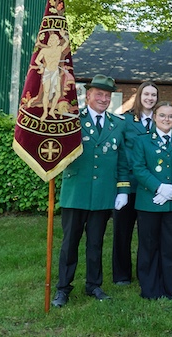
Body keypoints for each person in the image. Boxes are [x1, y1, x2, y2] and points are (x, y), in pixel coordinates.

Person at [51, 74, 130, 308]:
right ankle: (63, 288)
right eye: (99, 94)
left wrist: (123, 190)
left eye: (107, 95)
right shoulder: (72, 119)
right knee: (69, 243)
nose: (103, 99)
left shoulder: (118, 124)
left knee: (95, 243)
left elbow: (122, 160)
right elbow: (56, 147)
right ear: (88, 95)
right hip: (76, 191)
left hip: (103, 194)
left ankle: (94, 285)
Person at [131, 101, 172, 299]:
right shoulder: (142, 141)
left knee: (170, 245)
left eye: (170, 116)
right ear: (154, 117)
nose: (166, 119)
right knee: (148, 245)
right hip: (149, 201)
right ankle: (149, 288)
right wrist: (159, 188)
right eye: (162, 115)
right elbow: (138, 167)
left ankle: (169, 288)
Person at [114, 81, 159, 286]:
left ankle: (146, 272)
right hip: (130, 185)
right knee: (123, 232)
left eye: (153, 95)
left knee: (148, 234)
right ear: (139, 96)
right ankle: (122, 274)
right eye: (146, 94)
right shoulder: (125, 121)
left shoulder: (162, 120)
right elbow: (121, 155)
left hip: (152, 187)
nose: (150, 98)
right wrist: (121, 187)